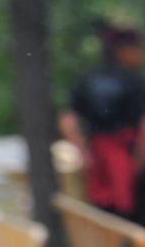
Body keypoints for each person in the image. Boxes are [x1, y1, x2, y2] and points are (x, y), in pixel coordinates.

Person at [59, 21, 145, 222]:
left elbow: (67, 122)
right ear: (123, 51)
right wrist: (140, 157)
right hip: (129, 159)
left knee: (106, 217)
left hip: (99, 162)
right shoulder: (135, 80)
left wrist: (85, 154)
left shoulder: (87, 80)